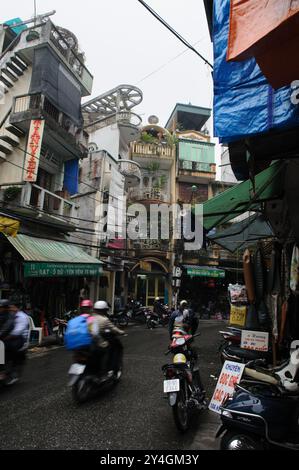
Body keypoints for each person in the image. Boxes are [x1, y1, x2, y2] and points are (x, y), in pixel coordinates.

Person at [89, 301, 125, 378]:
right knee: (109, 350)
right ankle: (107, 369)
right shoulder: (104, 319)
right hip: (98, 341)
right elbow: (113, 329)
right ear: (103, 310)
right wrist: (121, 332)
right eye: (105, 310)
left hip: (89, 341)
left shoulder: (90, 318)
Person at [1, 301, 30, 385]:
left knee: (5, 347)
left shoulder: (22, 317)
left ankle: (5, 371)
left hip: (19, 340)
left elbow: (17, 332)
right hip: (9, 338)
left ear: (17, 308)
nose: (10, 309)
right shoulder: (8, 315)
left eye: (12, 307)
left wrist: (4, 337)